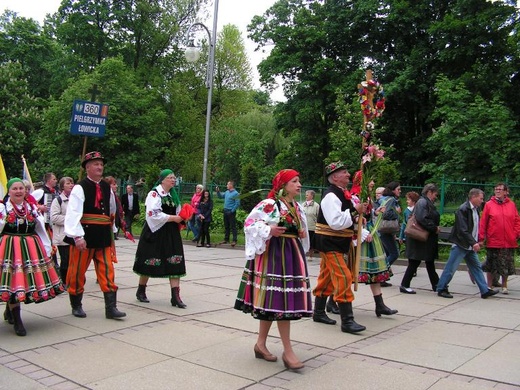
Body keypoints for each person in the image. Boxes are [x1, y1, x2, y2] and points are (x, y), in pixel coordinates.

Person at [234, 169, 312, 370]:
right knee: (282, 304)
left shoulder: (296, 207)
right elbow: (250, 223)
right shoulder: (271, 205)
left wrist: (300, 232)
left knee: (273, 303)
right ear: (283, 185)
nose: (299, 184)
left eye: (299, 180)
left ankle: (260, 344)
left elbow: (300, 232)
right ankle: (288, 351)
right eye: (294, 181)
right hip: (275, 257)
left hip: (291, 256)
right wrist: (270, 230)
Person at [64, 151, 126, 320]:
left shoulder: (107, 187)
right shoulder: (79, 187)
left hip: (103, 236)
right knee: (76, 272)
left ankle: (111, 308)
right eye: (96, 164)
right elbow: (73, 213)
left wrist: (112, 230)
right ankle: (76, 304)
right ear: (87, 168)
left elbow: (111, 209)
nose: (99, 167)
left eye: (101, 164)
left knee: (107, 270)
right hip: (85, 236)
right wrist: (77, 237)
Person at [0, 178, 64, 336]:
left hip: (29, 247)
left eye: (21, 188)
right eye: (14, 188)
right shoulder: (3, 208)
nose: (18, 191)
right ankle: (17, 319)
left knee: (21, 282)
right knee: (12, 280)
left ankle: (10, 310)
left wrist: (47, 247)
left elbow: (40, 228)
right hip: (9, 247)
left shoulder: (31, 207)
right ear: (9, 191)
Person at [312, 161, 367, 334]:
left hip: (337, 242)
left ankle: (319, 312)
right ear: (335, 177)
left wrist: (357, 217)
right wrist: (354, 211)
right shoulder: (331, 196)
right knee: (343, 276)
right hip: (330, 242)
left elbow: (344, 217)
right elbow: (336, 222)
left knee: (327, 276)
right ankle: (347, 321)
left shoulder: (342, 194)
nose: (348, 175)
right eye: (344, 172)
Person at [133, 169, 189, 307]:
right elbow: (152, 214)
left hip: (171, 232)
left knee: (175, 260)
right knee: (149, 260)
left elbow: (178, 212)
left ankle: (175, 296)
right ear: (162, 179)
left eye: (174, 177)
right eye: (170, 177)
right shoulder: (154, 194)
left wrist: (183, 218)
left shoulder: (173, 195)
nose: (173, 179)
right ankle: (141, 290)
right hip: (155, 231)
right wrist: (174, 218)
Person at [436, 188, 499, 299]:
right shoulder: (463, 209)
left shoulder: (475, 208)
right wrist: (473, 242)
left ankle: (484, 291)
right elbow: (463, 229)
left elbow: (474, 226)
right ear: (473, 197)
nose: (482, 200)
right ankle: (441, 288)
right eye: (480, 198)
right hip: (461, 244)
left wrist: (477, 240)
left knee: (476, 268)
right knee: (451, 268)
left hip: (469, 245)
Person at [479, 183, 520, 295]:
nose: (497, 191)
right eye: (496, 189)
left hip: (508, 241)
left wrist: (515, 233)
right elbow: (483, 222)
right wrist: (482, 238)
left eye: (500, 189)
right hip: (494, 240)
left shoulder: (511, 205)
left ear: (506, 192)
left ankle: (504, 286)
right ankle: (489, 285)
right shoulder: (489, 205)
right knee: (491, 264)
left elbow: (517, 220)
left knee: (505, 265)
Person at [399, 183, 441, 294]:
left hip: (422, 238)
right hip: (420, 238)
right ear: (429, 192)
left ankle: (436, 285)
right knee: (416, 262)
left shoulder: (424, 202)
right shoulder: (423, 202)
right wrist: (434, 228)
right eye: (435, 194)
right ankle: (405, 285)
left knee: (427, 262)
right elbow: (423, 218)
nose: (435, 197)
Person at [376, 182, 402, 287]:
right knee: (394, 253)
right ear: (392, 190)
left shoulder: (384, 199)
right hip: (386, 230)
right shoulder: (391, 200)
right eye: (398, 189)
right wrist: (396, 212)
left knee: (386, 254)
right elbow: (385, 213)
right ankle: (380, 275)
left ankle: (381, 277)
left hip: (383, 230)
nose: (400, 191)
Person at [50, 176, 75, 284]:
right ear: (62, 187)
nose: (71, 185)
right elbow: (54, 217)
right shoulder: (58, 200)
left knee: (73, 260)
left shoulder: (75, 199)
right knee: (65, 260)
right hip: (63, 236)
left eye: (72, 183)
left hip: (74, 235)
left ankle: (71, 279)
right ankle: (64, 281)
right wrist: (69, 219)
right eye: (68, 183)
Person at [216, 181, 240, 246]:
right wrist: (218, 191)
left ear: (231, 185)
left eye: (227, 184)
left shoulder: (236, 194)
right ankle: (226, 239)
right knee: (226, 226)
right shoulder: (227, 192)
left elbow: (237, 203)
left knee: (233, 226)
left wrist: (232, 211)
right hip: (225, 211)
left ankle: (234, 240)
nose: (226, 185)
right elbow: (221, 196)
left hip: (231, 212)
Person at [303, 189, 319, 259]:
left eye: (308, 194)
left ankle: (310, 255)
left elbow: (318, 216)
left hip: (312, 227)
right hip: (304, 227)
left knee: (311, 242)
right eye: (306, 194)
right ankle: (303, 254)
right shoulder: (302, 205)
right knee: (303, 241)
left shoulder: (316, 205)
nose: (306, 195)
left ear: (312, 196)